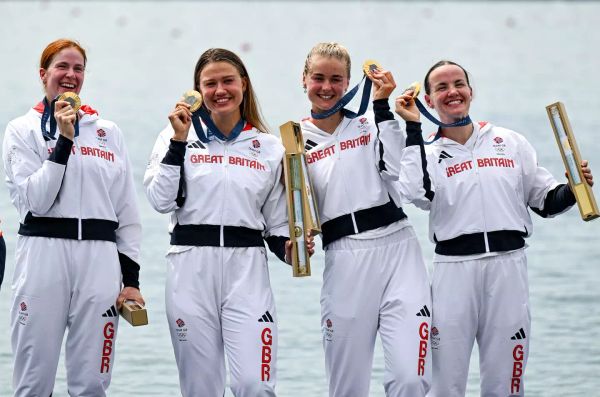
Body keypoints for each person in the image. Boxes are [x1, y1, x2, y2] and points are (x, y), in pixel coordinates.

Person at [393, 60, 594, 397]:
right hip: (455, 272)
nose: (452, 92)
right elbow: (415, 192)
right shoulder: (425, 152)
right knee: (445, 384)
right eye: (441, 88)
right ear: (428, 100)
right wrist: (412, 128)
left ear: (470, 92)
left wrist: (574, 189)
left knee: (507, 382)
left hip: (508, 268)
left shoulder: (509, 141)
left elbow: (544, 200)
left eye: (459, 84)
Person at [144, 48, 311, 397]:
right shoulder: (175, 136)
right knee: (200, 389)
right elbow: (160, 200)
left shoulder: (269, 147)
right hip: (190, 269)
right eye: (210, 84)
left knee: (255, 384)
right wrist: (177, 142)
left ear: (244, 85)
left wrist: (291, 248)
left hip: (246, 273)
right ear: (197, 91)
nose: (220, 90)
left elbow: (277, 224)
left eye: (228, 81)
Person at [2, 39, 143, 396]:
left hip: (99, 262)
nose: (70, 75)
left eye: (78, 68)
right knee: (33, 381)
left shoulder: (107, 132)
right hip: (43, 256)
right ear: (43, 74)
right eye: (62, 67)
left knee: (92, 382)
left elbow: (125, 211)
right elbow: (37, 199)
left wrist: (131, 279)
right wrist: (64, 141)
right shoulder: (22, 129)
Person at [300, 42, 432, 397]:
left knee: (411, 378)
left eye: (336, 79)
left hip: (398, 251)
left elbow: (394, 172)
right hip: (344, 257)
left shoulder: (370, 121)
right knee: (347, 387)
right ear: (304, 80)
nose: (327, 87)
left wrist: (381, 105)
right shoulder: (293, 141)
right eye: (319, 78)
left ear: (347, 84)